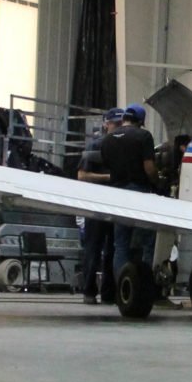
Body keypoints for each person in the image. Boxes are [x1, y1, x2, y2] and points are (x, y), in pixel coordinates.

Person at [100, 103, 158, 278]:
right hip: (139, 192)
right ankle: (146, 284)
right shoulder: (144, 136)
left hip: (117, 193)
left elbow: (108, 166)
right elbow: (149, 167)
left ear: (124, 118)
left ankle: (123, 287)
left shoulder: (108, 139)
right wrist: (158, 183)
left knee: (121, 244)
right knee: (147, 241)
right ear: (141, 121)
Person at [77, 107, 125, 304]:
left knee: (114, 250)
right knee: (93, 249)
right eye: (116, 124)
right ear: (106, 124)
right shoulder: (95, 146)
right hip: (97, 205)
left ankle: (108, 293)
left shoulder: (125, 148)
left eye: (122, 124)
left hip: (117, 205)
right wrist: (108, 177)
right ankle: (89, 291)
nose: (119, 127)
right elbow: (82, 176)